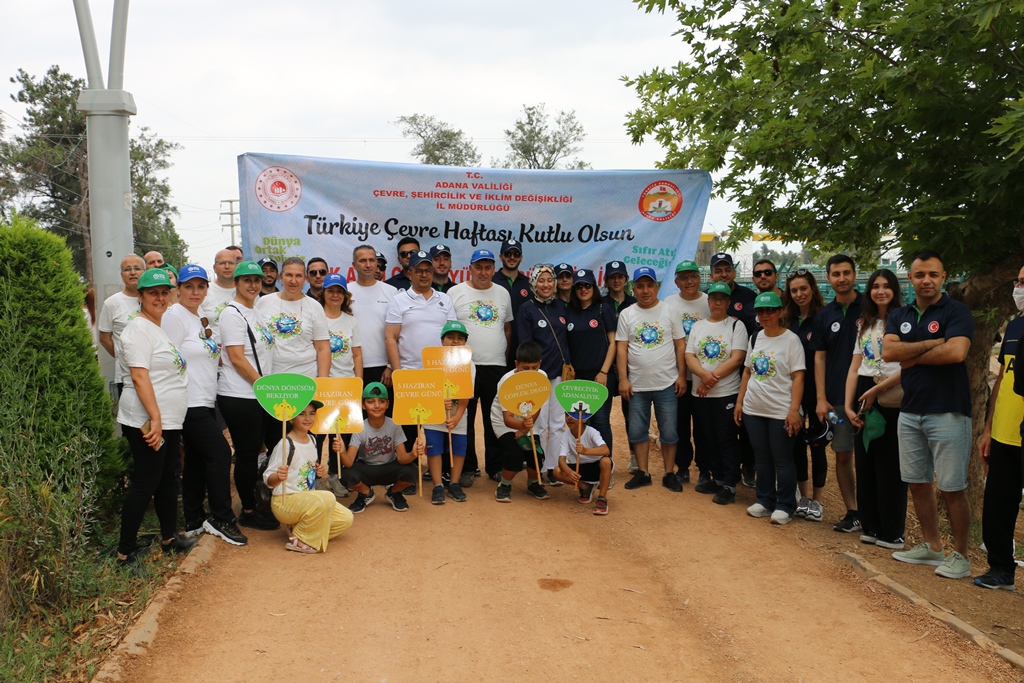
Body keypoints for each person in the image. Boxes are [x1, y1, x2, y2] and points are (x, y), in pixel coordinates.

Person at [883, 250, 974, 580]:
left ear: (943, 277)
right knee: (918, 483)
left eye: (933, 274)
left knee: (952, 488)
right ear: (911, 278)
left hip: (949, 411)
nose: (926, 280)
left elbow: (956, 352)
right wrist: (932, 343)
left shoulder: (957, 311)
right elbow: (889, 352)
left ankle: (961, 556)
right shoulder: (900, 315)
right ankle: (932, 546)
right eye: (920, 274)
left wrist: (913, 354)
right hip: (910, 413)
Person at [115, 268, 195, 568]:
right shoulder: (138, 328)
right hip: (147, 421)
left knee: (166, 481)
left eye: (164, 291)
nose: (160, 297)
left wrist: (166, 420)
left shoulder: (157, 327)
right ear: (141, 296)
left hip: (168, 420)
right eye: (153, 292)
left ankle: (169, 538)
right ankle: (125, 552)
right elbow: (138, 376)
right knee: (145, 483)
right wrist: (157, 419)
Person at [162, 264, 247, 546]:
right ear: (179, 290)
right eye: (189, 286)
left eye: (200, 287)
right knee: (221, 453)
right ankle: (221, 518)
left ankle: (195, 519)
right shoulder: (174, 316)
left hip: (205, 399)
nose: (195, 292)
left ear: (206, 289)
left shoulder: (200, 317)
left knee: (197, 461)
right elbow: (167, 360)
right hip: (189, 402)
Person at [845, 269, 906, 549]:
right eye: (875, 286)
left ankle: (891, 531)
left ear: (895, 289)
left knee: (890, 465)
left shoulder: (904, 321)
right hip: (864, 392)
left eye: (886, 286)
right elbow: (855, 366)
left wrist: (876, 390)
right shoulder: (865, 323)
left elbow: (908, 367)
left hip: (891, 394)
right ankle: (870, 525)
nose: (880, 291)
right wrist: (848, 405)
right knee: (866, 462)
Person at [217, 260, 279, 532]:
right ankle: (248, 511)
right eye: (247, 280)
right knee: (247, 454)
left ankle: (257, 502)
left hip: (257, 394)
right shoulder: (232, 314)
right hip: (240, 395)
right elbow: (236, 358)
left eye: (257, 280)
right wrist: (265, 388)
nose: (253, 284)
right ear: (236, 283)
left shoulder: (256, 311)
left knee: (260, 450)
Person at [734, 291, 805, 525]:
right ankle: (765, 500)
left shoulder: (791, 340)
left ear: (781, 312)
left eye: (771, 310)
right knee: (761, 457)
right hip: (754, 409)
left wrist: (794, 410)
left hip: (780, 410)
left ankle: (785, 504)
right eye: (761, 311)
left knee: (782, 458)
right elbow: (747, 371)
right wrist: (740, 402)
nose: (765, 315)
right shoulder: (755, 337)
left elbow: (798, 377)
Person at [616, 266, 687, 492]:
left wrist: (682, 376)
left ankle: (668, 473)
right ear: (633, 289)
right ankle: (643, 473)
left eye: (649, 285)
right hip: (637, 385)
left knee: (669, 432)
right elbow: (621, 349)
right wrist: (623, 379)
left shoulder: (669, 311)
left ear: (656, 287)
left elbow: (680, 344)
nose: (645, 290)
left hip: (667, 382)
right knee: (637, 431)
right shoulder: (627, 314)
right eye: (640, 286)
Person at [974, 267, 1024, 590]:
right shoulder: (1015, 325)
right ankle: (1001, 568)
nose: (1019, 287)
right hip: (1005, 433)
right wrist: (989, 428)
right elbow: (1003, 378)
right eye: (1019, 281)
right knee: (998, 505)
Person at [447, 248, 513, 484]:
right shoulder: (455, 292)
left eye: (487, 267)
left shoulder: (503, 293)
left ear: (494, 269)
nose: (483, 272)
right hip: (464, 365)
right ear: (470, 268)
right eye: (479, 267)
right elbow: (449, 331)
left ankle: (495, 466)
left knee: (493, 417)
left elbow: (507, 329)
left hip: (495, 365)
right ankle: (467, 467)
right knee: (464, 417)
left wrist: (502, 358)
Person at [385, 250, 457, 460]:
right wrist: (398, 373)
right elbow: (391, 337)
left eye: (428, 270)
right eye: (419, 271)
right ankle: (407, 472)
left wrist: (451, 373)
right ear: (410, 273)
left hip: (439, 376)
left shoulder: (444, 299)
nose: (424, 275)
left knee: (438, 428)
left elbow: (452, 337)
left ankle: (440, 475)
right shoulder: (399, 300)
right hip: (410, 374)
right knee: (409, 429)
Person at [257, 256, 331, 456]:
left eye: (298, 275)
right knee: (276, 440)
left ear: (305, 278)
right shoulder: (264, 303)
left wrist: (322, 382)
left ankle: (306, 480)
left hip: (305, 382)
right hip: (274, 382)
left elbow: (323, 348)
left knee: (306, 439)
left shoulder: (314, 306)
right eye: (289, 275)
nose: (293, 280)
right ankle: (278, 482)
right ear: (281, 277)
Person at [812, 254, 863, 532]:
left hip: (869, 398)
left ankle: (876, 512)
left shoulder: (871, 306)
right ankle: (853, 511)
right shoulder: (825, 314)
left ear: (855, 274)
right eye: (835, 274)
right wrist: (821, 397)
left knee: (873, 456)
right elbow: (819, 358)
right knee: (843, 454)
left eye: (846, 272)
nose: (841, 278)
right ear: (828, 278)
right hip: (838, 401)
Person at [685, 281, 748, 504]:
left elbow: (738, 358)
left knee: (726, 437)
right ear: (708, 301)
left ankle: (730, 483)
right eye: (714, 299)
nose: (718, 302)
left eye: (722, 299)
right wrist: (703, 374)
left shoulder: (735, 326)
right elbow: (689, 355)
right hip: (700, 394)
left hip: (726, 393)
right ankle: (717, 478)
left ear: (729, 302)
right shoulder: (698, 326)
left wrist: (709, 380)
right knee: (706, 437)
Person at [264, 399, 355, 553]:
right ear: (291, 418)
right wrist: (278, 477)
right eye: (302, 414)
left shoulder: (312, 440)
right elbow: (267, 479)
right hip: (285, 502)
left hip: (307, 501)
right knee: (328, 497)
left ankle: (299, 529)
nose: (308, 418)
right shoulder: (286, 444)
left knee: (346, 518)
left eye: (312, 414)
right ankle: (300, 539)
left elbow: (307, 470)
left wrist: (317, 471)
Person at [517, 264, 572, 487]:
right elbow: (525, 344)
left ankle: (552, 468)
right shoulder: (526, 309)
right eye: (541, 280)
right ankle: (536, 469)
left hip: (560, 375)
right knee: (538, 424)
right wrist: (531, 375)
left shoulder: (561, 306)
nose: (546, 285)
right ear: (534, 284)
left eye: (550, 280)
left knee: (558, 424)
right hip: (538, 376)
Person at [783, 269, 828, 521]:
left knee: (818, 444)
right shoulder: (787, 319)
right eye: (794, 290)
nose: (799, 294)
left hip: (819, 391)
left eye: (803, 289)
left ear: (813, 288)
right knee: (797, 442)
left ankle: (818, 502)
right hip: (794, 392)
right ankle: (803, 497)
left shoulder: (823, 317)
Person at [709, 252, 757, 487]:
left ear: (734, 272)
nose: (723, 274)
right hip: (716, 371)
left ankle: (748, 465)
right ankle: (720, 471)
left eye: (727, 269)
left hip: (745, 366)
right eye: (718, 270)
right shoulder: (707, 299)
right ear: (711, 275)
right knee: (720, 429)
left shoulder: (748, 296)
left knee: (743, 423)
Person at [337, 382, 422, 513]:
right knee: (345, 474)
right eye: (371, 402)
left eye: (381, 401)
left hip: (389, 467)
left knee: (413, 471)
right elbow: (348, 462)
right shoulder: (359, 427)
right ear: (363, 405)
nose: (377, 406)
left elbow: (402, 458)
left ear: (387, 404)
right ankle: (366, 493)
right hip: (367, 468)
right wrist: (342, 452)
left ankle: (394, 492)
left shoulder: (394, 425)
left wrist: (413, 454)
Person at [664, 259, 711, 485]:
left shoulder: (709, 302)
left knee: (703, 426)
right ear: (676, 282)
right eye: (683, 277)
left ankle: (704, 468)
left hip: (704, 377)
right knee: (680, 424)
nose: (689, 281)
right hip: (678, 375)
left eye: (692, 276)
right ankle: (682, 466)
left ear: (700, 278)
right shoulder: (669, 303)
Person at [319, 272, 363, 499]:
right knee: (318, 434)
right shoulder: (316, 317)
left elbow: (356, 355)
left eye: (339, 291)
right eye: (330, 291)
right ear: (323, 293)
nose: (335, 295)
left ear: (345, 295)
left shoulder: (351, 321)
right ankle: (317, 477)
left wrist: (359, 385)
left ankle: (336, 475)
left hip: (346, 385)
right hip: (321, 384)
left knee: (342, 434)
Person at [565, 268, 618, 451]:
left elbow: (613, 344)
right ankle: (588, 465)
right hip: (578, 377)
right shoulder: (570, 311)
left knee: (601, 420)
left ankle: (605, 464)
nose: (583, 289)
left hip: (600, 376)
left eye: (587, 285)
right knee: (581, 422)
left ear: (594, 286)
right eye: (579, 286)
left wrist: (603, 372)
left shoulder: (604, 308)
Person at [492, 342, 550, 502]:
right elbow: (507, 418)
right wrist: (520, 428)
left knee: (536, 453)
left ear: (540, 364)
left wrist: (525, 430)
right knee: (515, 454)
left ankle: (533, 484)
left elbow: (537, 406)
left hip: (528, 421)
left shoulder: (542, 377)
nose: (530, 372)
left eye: (535, 367)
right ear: (516, 364)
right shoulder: (507, 381)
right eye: (526, 368)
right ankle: (504, 486)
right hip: (504, 423)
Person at [424, 321, 474, 504]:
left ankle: (454, 483)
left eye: (460, 338)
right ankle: (438, 485)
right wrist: (438, 400)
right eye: (450, 338)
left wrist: (457, 417)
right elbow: (428, 389)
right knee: (434, 447)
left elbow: (466, 394)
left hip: (457, 415)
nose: (455, 342)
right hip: (434, 415)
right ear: (442, 340)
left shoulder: (470, 364)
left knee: (459, 448)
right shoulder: (431, 362)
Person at [603, 260, 638, 471]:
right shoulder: (600, 302)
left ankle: (634, 456)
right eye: (612, 277)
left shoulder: (635, 303)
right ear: (606, 280)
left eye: (620, 277)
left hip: (630, 366)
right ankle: (604, 457)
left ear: (626, 280)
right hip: (606, 365)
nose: (616, 280)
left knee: (631, 414)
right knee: (602, 414)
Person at [350, 244, 398, 389]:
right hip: (351, 366)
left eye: (372, 260)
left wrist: (391, 365)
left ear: (377, 263)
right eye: (362, 261)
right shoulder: (345, 291)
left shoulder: (391, 292)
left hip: (383, 368)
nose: (368, 265)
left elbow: (399, 333)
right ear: (354, 265)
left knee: (383, 411)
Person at [98, 254, 143, 396]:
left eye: (137, 268)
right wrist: (122, 356)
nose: (133, 272)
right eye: (127, 269)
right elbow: (104, 338)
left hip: (155, 372)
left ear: (145, 272)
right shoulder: (111, 303)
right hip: (126, 376)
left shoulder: (154, 299)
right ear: (121, 275)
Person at [553, 410, 613, 515]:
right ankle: (585, 487)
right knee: (557, 471)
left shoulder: (591, 432)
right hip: (580, 468)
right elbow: (561, 459)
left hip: (597, 467)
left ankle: (602, 498)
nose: (569, 418)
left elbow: (606, 450)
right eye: (567, 415)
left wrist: (585, 451)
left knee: (606, 461)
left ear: (585, 419)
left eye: (574, 415)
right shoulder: (565, 436)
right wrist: (570, 472)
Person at [494, 238, 531, 368]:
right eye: (508, 254)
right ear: (501, 257)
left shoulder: (529, 283)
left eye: (516, 254)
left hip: (523, 349)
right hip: (498, 348)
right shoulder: (492, 281)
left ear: (521, 257)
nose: (512, 257)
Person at [203, 248, 243, 337]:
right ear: (214, 268)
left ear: (237, 266)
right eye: (222, 263)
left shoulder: (246, 291)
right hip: (214, 348)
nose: (227, 266)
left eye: (231, 263)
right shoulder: (204, 291)